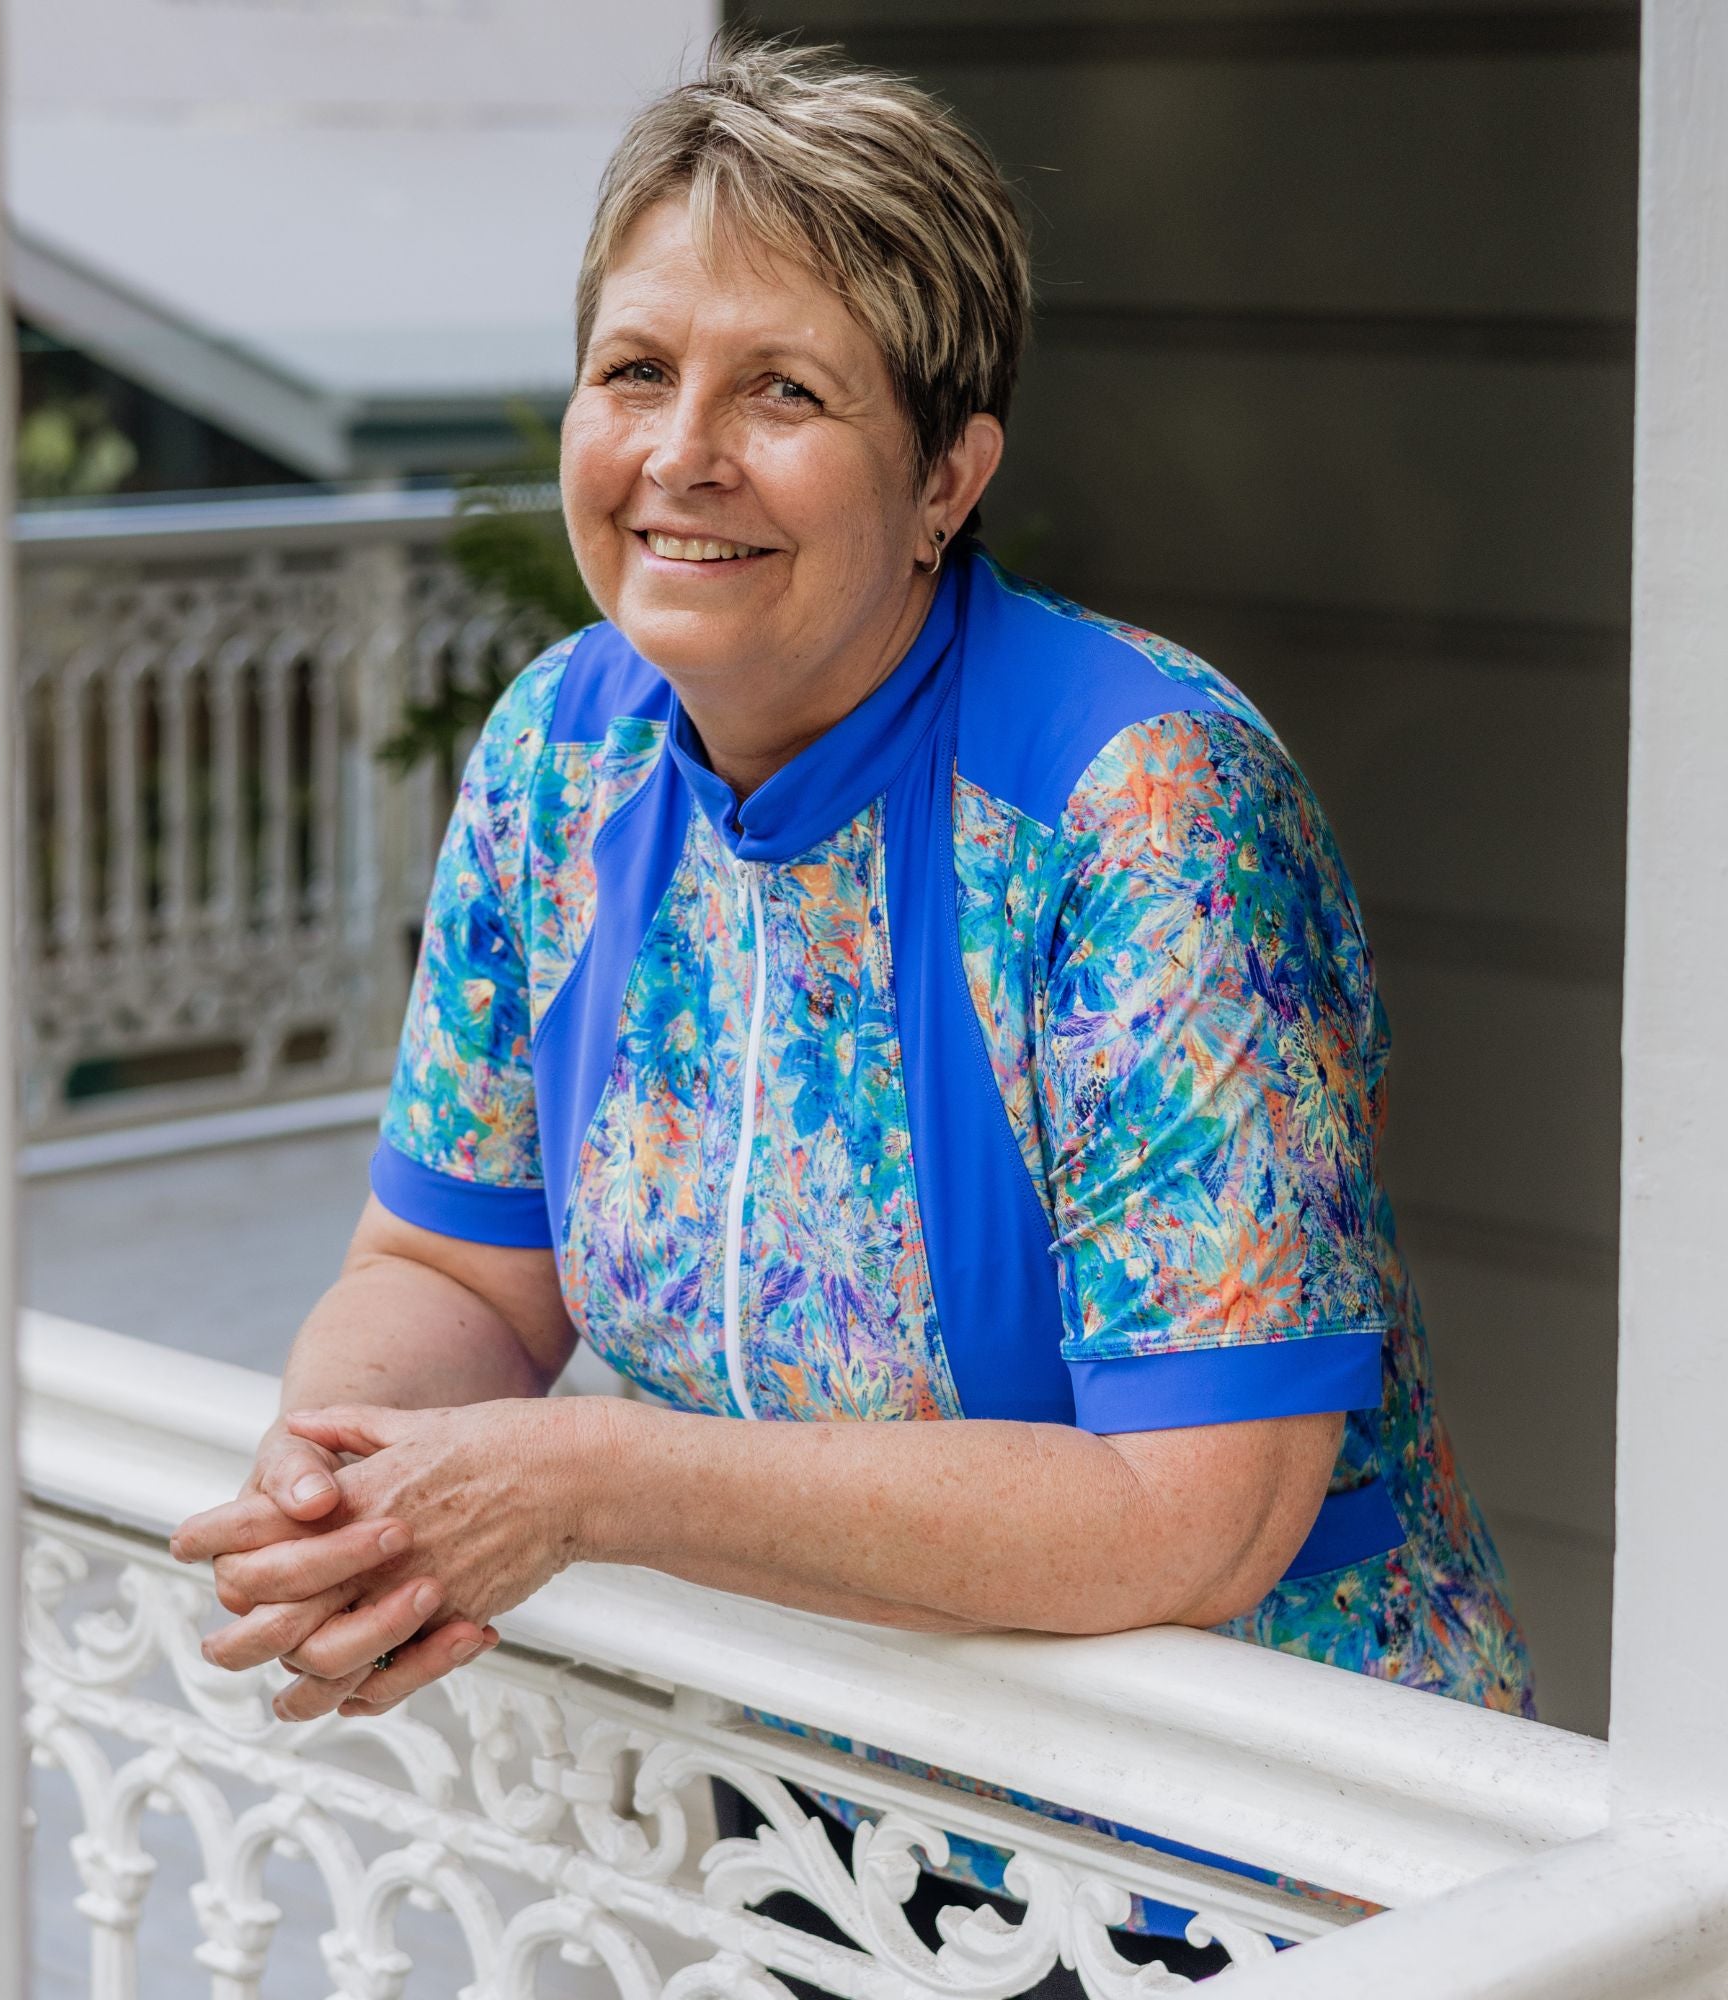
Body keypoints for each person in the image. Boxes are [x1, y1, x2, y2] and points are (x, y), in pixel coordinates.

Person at [170, 32, 1533, 1987]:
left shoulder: (1137, 802)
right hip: (810, 1818)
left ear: (946, 474)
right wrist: (353, 1470)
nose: (679, 454)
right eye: (635, 368)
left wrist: (587, 1478)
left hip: (1231, 1857)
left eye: (783, 390)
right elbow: (456, 1271)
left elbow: (1196, 1510)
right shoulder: (562, 755)